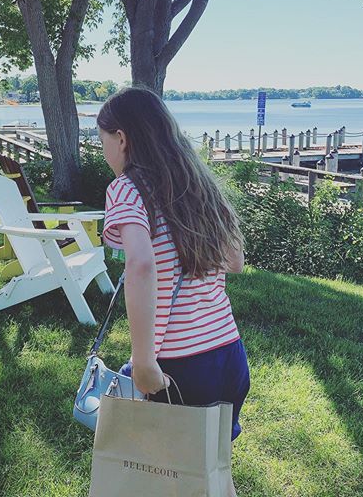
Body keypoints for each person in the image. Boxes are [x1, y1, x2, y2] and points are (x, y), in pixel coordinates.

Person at [97, 87, 249, 492]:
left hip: (177, 366)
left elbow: (141, 264)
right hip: (228, 355)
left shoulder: (127, 189)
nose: (105, 152)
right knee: (211, 472)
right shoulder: (195, 182)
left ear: (122, 138)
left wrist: (143, 360)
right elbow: (235, 262)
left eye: (103, 141)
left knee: (165, 480)